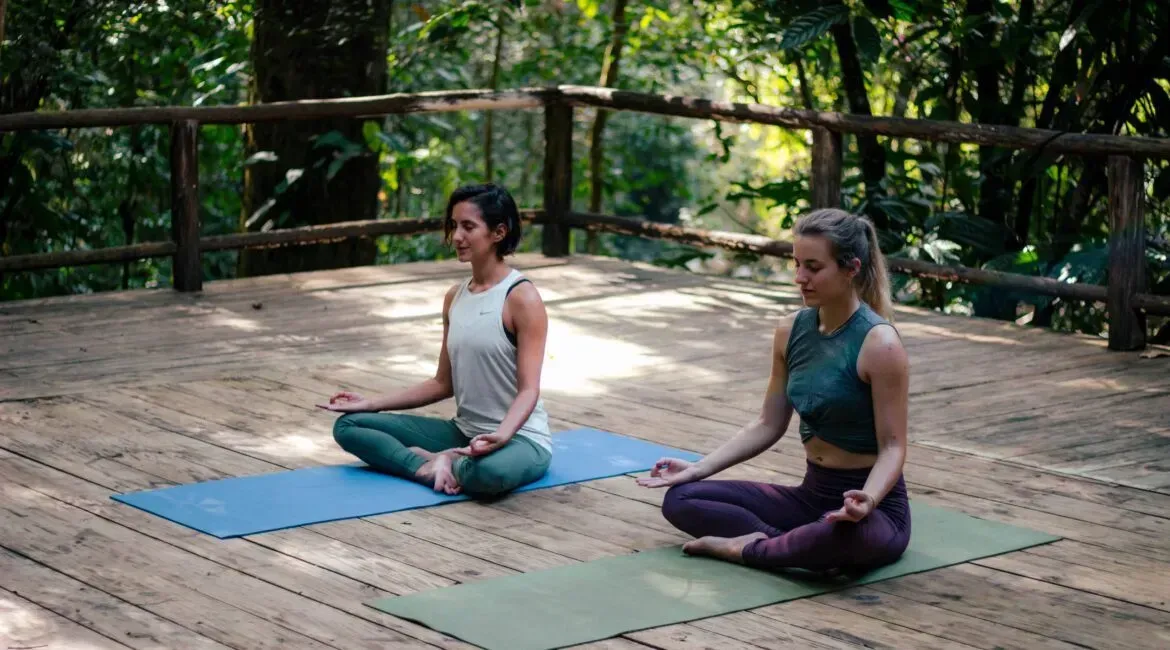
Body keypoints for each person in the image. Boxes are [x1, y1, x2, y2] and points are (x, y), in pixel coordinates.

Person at [638, 208, 911, 576]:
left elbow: (894, 447)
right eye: (796, 264)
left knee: (838, 535)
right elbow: (768, 423)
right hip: (810, 496)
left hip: (873, 510)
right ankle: (791, 546)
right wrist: (698, 468)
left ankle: (753, 548)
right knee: (682, 498)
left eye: (813, 267)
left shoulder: (880, 343)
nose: (800, 278)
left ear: (851, 269)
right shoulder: (790, 330)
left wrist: (869, 499)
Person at [319, 183, 552, 498]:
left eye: (468, 227)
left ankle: (445, 460)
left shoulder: (522, 298)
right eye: (454, 225)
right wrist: (371, 404)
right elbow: (443, 383)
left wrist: (502, 434)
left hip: (520, 439)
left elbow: (529, 390)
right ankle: (426, 468)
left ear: (499, 232)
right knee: (349, 425)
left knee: (489, 473)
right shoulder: (455, 297)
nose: (456, 236)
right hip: (463, 432)